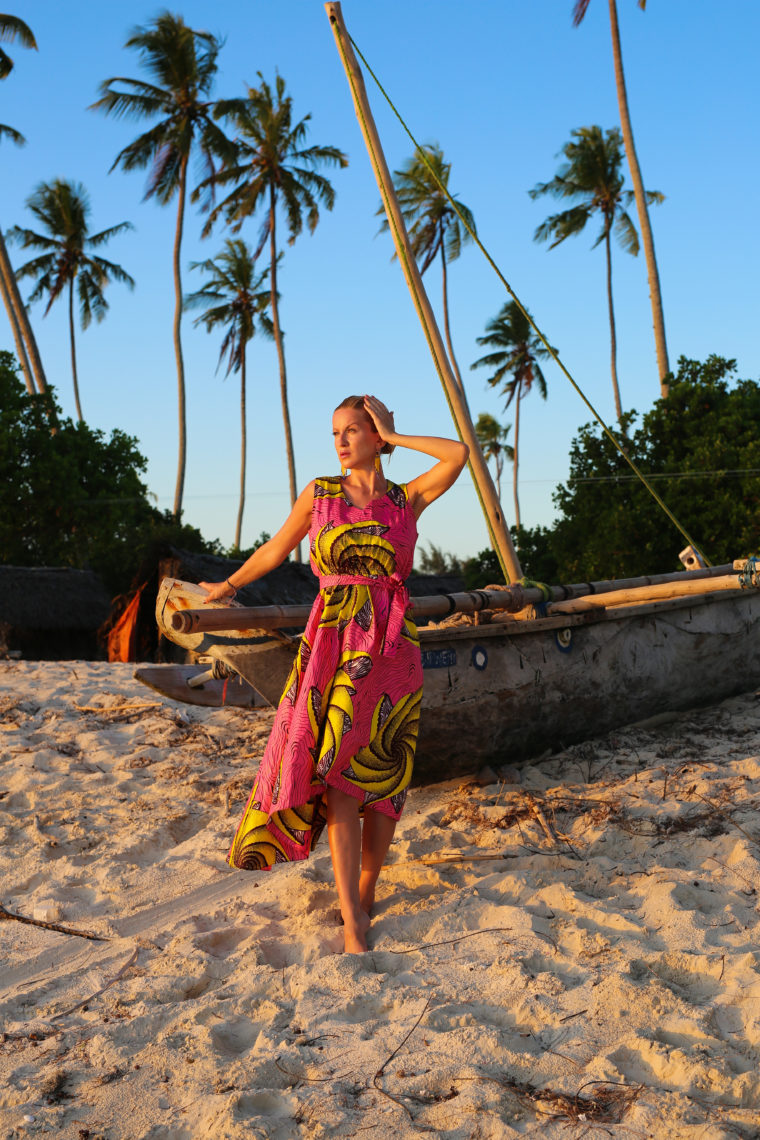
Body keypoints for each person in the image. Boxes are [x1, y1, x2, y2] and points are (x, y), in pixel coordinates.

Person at [200, 394, 468, 953]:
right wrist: (224, 589)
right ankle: (352, 918)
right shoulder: (320, 495)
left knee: (386, 775)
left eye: (353, 431)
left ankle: (367, 887)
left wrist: (397, 437)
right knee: (339, 775)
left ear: (375, 435)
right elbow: (276, 549)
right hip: (333, 640)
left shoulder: (405, 499)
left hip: (393, 645)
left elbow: (458, 453)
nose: (342, 442)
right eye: (335, 434)